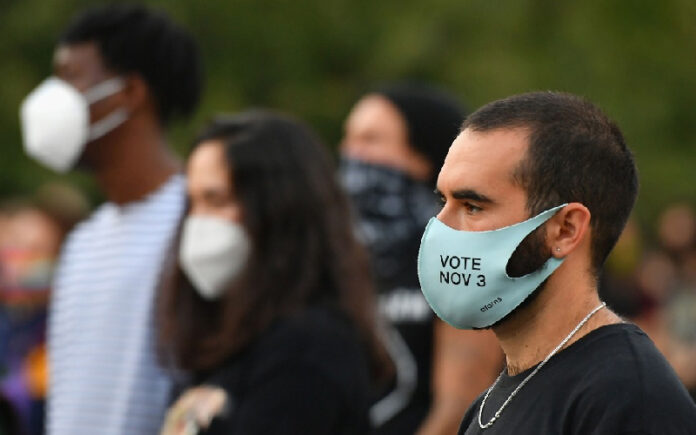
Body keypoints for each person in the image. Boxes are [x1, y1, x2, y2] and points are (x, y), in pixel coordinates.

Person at [415, 91, 696, 434]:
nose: (440, 226)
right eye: (442, 201)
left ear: (564, 230)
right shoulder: (492, 402)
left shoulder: (628, 396)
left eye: (472, 206)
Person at [18, 5, 203, 435]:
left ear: (130, 92)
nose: (53, 96)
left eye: (71, 77)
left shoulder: (198, 221)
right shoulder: (84, 241)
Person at [157, 112, 391, 435]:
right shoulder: (228, 339)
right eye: (192, 203)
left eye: (216, 200)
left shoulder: (310, 348)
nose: (197, 222)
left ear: (280, 209)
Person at [339, 84, 502, 435]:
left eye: (370, 140)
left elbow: (459, 408)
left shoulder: (458, 253)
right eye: (348, 139)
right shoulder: (343, 256)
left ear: (423, 157)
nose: (351, 154)